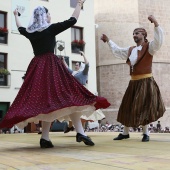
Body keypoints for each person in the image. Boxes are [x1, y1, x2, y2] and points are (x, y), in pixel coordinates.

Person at [0, 1, 110, 148]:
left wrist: (15, 15)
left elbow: (20, 28)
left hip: (37, 68)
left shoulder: (31, 33)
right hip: (51, 66)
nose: (50, 16)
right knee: (70, 97)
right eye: (48, 14)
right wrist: (78, 4)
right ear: (44, 16)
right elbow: (72, 20)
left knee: (47, 102)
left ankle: (46, 137)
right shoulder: (50, 29)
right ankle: (80, 132)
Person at [101, 15, 165, 142]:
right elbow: (118, 51)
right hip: (134, 82)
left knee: (144, 106)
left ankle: (146, 133)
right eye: (133, 33)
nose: (134, 35)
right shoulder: (130, 50)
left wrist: (156, 24)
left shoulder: (150, 47)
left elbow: (159, 42)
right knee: (127, 106)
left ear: (144, 35)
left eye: (137, 33)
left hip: (146, 82)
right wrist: (108, 41)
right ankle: (125, 132)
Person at [62, 51, 105, 133]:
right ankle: (71, 127)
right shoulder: (74, 73)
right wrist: (63, 60)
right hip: (74, 93)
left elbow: (87, 64)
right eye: (75, 65)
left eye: (77, 65)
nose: (76, 66)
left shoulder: (84, 72)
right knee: (73, 109)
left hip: (82, 92)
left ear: (80, 66)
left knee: (83, 111)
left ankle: (81, 130)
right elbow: (67, 68)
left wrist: (84, 55)